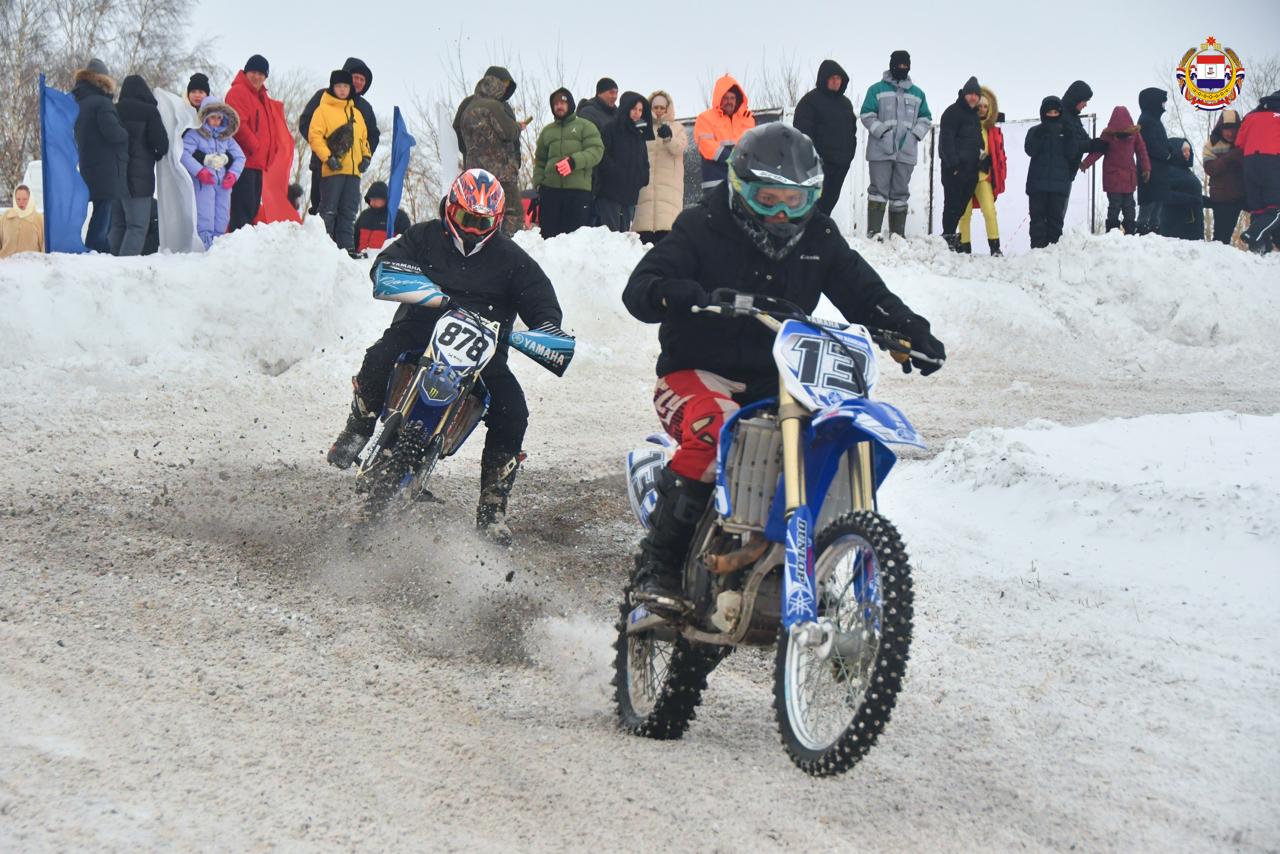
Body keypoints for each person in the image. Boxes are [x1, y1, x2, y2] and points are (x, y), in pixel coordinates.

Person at [621, 124, 945, 609]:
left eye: (794, 201)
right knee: (715, 432)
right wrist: (675, 291)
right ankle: (660, 564)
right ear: (738, 187)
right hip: (695, 373)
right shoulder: (702, 226)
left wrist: (908, 329)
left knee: (833, 441)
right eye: (767, 198)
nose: (780, 213)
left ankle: (817, 574)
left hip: (783, 383)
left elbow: (864, 292)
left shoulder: (820, 236)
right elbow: (641, 286)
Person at [326, 169, 569, 543]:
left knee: (513, 409)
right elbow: (385, 266)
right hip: (422, 325)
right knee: (379, 355)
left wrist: (545, 330)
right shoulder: (424, 236)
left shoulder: (513, 259)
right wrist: (428, 293)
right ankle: (358, 428)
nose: (472, 229)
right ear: (450, 209)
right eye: (465, 218)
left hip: (483, 347)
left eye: (482, 222)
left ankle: (492, 506)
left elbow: (543, 303)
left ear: (497, 221)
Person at [859, 50, 931, 238]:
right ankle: (873, 233)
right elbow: (866, 114)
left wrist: (914, 136)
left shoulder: (918, 94)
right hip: (880, 151)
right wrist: (882, 132)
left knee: (900, 193)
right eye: (899, 65)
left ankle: (897, 236)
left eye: (905, 65)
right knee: (877, 191)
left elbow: (925, 119)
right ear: (892, 65)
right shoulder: (876, 90)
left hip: (906, 152)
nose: (902, 68)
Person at [301, 57, 380, 217]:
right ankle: (319, 241)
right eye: (355, 77)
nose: (358, 82)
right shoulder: (323, 97)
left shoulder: (364, 108)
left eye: (362, 79)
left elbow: (372, 135)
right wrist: (326, 149)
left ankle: (342, 243)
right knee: (322, 209)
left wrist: (366, 158)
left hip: (351, 171)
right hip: (323, 166)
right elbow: (306, 124)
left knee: (346, 214)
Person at [307, 69, 371, 253]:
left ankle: (347, 248)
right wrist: (328, 157)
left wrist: (366, 156)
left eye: (345, 86)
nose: (342, 90)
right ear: (332, 87)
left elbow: (363, 139)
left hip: (354, 172)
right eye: (338, 86)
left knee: (349, 212)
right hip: (333, 169)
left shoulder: (357, 114)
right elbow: (315, 137)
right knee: (328, 210)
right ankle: (324, 249)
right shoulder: (323, 110)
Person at [457, 67, 526, 236]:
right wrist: (518, 127)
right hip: (500, 172)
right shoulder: (494, 106)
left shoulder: (468, 106)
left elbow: (457, 133)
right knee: (513, 213)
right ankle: (509, 247)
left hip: (474, 174)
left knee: (479, 213)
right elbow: (508, 132)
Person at [72, 58, 128, 253]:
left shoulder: (80, 102)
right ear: (103, 80)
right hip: (106, 165)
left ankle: (102, 248)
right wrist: (125, 132)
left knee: (101, 207)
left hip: (89, 162)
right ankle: (96, 248)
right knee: (104, 209)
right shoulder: (102, 103)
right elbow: (113, 133)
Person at [532, 87, 604, 239]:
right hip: (550, 193)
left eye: (563, 102)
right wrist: (538, 185)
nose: (559, 106)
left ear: (570, 104)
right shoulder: (547, 131)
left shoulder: (586, 126)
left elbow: (596, 151)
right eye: (555, 103)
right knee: (549, 239)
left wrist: (573, 162)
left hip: (578, 193)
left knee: (575, 241)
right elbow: (540, 160)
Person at [110, 75, 169, 257]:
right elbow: (162, 144)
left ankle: (112, 268)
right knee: (136, 227)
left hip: (114, 177)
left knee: (118, 226)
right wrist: (155, 154)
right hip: (139, 179)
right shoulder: (149, 112)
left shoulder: (113, 111)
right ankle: (125, 270)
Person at [793, 59, 857, 215]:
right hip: (818, 165)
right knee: (812, 204)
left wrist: (849, 157)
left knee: (829, 202)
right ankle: (807, 234)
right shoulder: (810, 101)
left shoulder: (846, 104)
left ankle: (819, 234)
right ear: (824, 79)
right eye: (832, 78)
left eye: (838, 78)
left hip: (841, 165)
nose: (836, 81)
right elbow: (802, 133)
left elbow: (851, 132)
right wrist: (814, 158)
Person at [181, 98, 245, 249]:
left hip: (223, 185)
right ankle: (204, 248)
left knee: (222, 217)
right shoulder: (194, 135)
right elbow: (183, 153)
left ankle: (217, 249)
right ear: (205, 117)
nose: (216, 121)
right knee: (205, 217)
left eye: (219, 118)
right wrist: (200, 171)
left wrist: (233, 175)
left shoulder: (226, 138)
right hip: (204, 184)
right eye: (212, 117)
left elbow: (240, 157)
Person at [223, 54, 275, 230]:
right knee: (241, 211)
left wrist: (269, 151)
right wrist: (255, 146)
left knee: (251, 210)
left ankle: (245, 249)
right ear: (246, 72)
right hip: (243, 161)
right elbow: (237, 123)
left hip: (257, 162)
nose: (257, 76)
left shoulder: (261, 98)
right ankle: (237, 249)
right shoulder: (238, 92)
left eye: (262, 74)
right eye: (253, 72)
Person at [1080, 105, 1150, 234]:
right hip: (1114, 177)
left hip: (1126, 176)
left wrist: (1146, 168)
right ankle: (1112, 233)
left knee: (1128, 206)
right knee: (1115, 206)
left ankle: (1129, 232)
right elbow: (1098, 151)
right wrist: (1085, 163)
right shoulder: (1107, 135)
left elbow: (1141, 150)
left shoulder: (1135, 134)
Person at [1025, 96, 1079, 249]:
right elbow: (1030, 150)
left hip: (1058, 185)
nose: (1053, 115)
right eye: (1050, 112)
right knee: (1037, 220)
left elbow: (1072, 154)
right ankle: (1037, 252)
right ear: (1043, 113)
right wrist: (1041, 132)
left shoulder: (1067, 131)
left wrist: (1069, 135)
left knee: (1056, 221)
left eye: (1056, 112)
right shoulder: (1034, 130)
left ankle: (1053, 253)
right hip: (1037, 185)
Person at [634, 90, 688, 244]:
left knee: (667, 235)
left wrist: (669, 138)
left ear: (667, 108)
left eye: (661, 108)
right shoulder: (642, 127)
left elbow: (679, 148)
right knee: (643, 236)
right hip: (645, 186)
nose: (658, 111)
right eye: (655, 107)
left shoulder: (678, 128)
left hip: (669, 189)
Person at [958, 86, 1007, 255]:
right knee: (964, 213)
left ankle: (995, 247)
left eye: (986, 107)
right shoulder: (963, 125)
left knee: (990, 210)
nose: (982, 110)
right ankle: (965, 247)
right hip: (965, 176)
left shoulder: (992, 129)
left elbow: (999, 154)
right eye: (979, 106)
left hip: (983, 177)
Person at [596, 92, 652, 232]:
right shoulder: (610, 129)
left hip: (630, 194)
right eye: (634, 109)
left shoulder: (639, 134)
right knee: (611, 236)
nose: (637, 113)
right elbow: (602, 155)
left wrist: (643, 178)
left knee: (626, 237)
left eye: (640, 110)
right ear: (626, 108)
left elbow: (644, 160)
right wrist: (614, 172)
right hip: (610, 193)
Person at [939, 76, 984, 252]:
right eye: (970, 94)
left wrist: (982, 159)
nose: (973, 97)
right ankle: (948, 237)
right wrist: (953, 166)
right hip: (955, 170)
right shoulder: (952, 112)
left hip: (971, 171)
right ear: (964, 94)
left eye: (976, 95)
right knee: (951, 204)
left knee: (961, 206)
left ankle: (951, 236)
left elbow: (978, 141)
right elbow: (946, 141)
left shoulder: (974, 116)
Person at [694, 74, 755, 195]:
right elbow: (706, 147)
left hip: (741, 181)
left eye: (732, 98)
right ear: (719, 98)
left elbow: (753, 147)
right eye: (726, 98)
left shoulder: (748, 119)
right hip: (715, 181)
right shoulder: (705, 118)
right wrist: (733, 157)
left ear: (737, 99)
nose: (729, 101)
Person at [1237, 90, 1280, 253]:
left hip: (1249, 162)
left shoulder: (1251, 116)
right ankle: (1253, 234)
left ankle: (1259, 250)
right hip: (1273, 161)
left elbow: (1239, 142)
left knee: (1259, 209)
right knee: (1276, 208)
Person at [1202, 110, 1245, 245]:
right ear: (1220, 128)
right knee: (1221, 237)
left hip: (1240, 195)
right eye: (1227, 129)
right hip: (1221, 198)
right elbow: (1210, 169)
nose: (1230, 133)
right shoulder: (1211, 144)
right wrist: (1230, 157)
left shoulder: (1243, 142)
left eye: (1233, 129)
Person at [1137, 87, 1173, 234]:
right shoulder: (1146, 120)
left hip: (1159, 171)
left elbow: (1161, 142)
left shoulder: (1154, 120)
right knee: (1149, 205)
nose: (1164, 105)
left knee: (1157, 206)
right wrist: (1166, 154)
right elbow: (1150, 144)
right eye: (1162, 102)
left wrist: (1169, 150)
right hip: (1150, 170)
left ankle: (1154, 231)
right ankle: (1143, 231)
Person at [1159, 138, 1207, 240]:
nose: (1187, 153)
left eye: (1189, 151)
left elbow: (1194, 196)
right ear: (1175, 151)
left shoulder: (1188, 172)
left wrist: (1211, 202)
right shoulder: (1167, 170)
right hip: (1176, 231)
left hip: (1193, 229)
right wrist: (1189, 199)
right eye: (1184, 150)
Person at [353, 180, 411, 253]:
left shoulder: (397, 216)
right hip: (361, 260)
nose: (373, 201)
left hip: (384, 259)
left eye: (376, 199)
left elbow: (406, 241)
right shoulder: (364, 215)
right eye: (371, 199)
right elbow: (354, 237)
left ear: (385, 199)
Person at [0, 185, 44, 257]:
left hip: (31, 265)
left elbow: (44, 246)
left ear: (30, 199)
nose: (21, 202)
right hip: (6, 264)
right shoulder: (6, 217)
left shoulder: (39, 218)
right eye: (18, 199)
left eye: (25, 199)